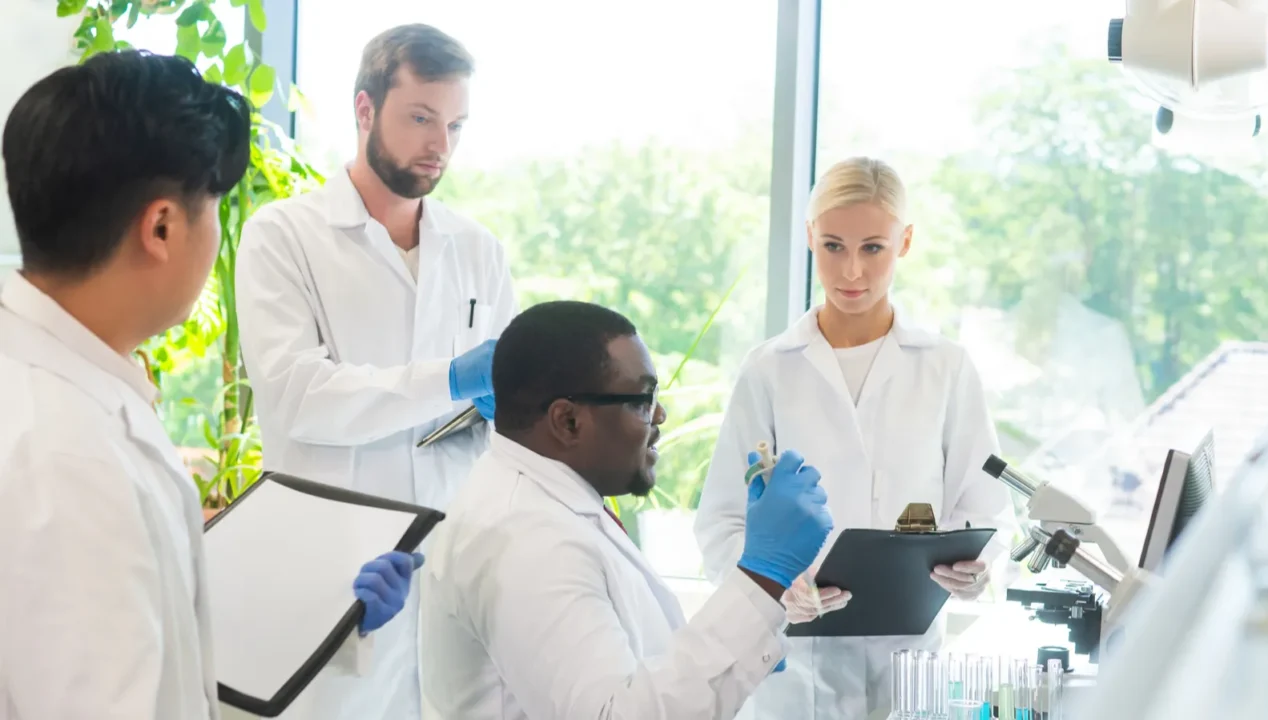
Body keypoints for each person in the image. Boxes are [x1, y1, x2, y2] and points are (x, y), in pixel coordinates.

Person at [0, 51, 420, 720]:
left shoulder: (67, 388)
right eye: (215, 211)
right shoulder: (67, 453)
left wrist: (324, 614)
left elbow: (144, 636)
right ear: (162, 227)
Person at [234, 24, 518, 720]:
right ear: (365, 111)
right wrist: (450, 379)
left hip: (454, 574)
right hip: (335, 576)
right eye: (420, 118)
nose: (439, 145)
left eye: (454, 124)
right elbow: (301, 397)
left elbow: (503, 427)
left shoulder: (478, 250)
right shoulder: (284, 235)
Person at [694, 156, 1018, 719]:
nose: (851, 273)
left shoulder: (945, 368)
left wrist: (976, 570)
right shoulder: (769, 370)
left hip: (910, 667)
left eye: (873, 248)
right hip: (794, 673)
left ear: (906, 242)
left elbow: (988, 513)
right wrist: (774, 585)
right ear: (809, 238)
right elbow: (722, 522)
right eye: (833, 247)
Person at [420, 300, 835, 719]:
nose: (660, 415)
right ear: (568, 421)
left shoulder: (549, 500)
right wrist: (762, 578)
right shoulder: (525, 540)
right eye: (642, 399)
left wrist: (749, 626)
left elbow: (635, 662)